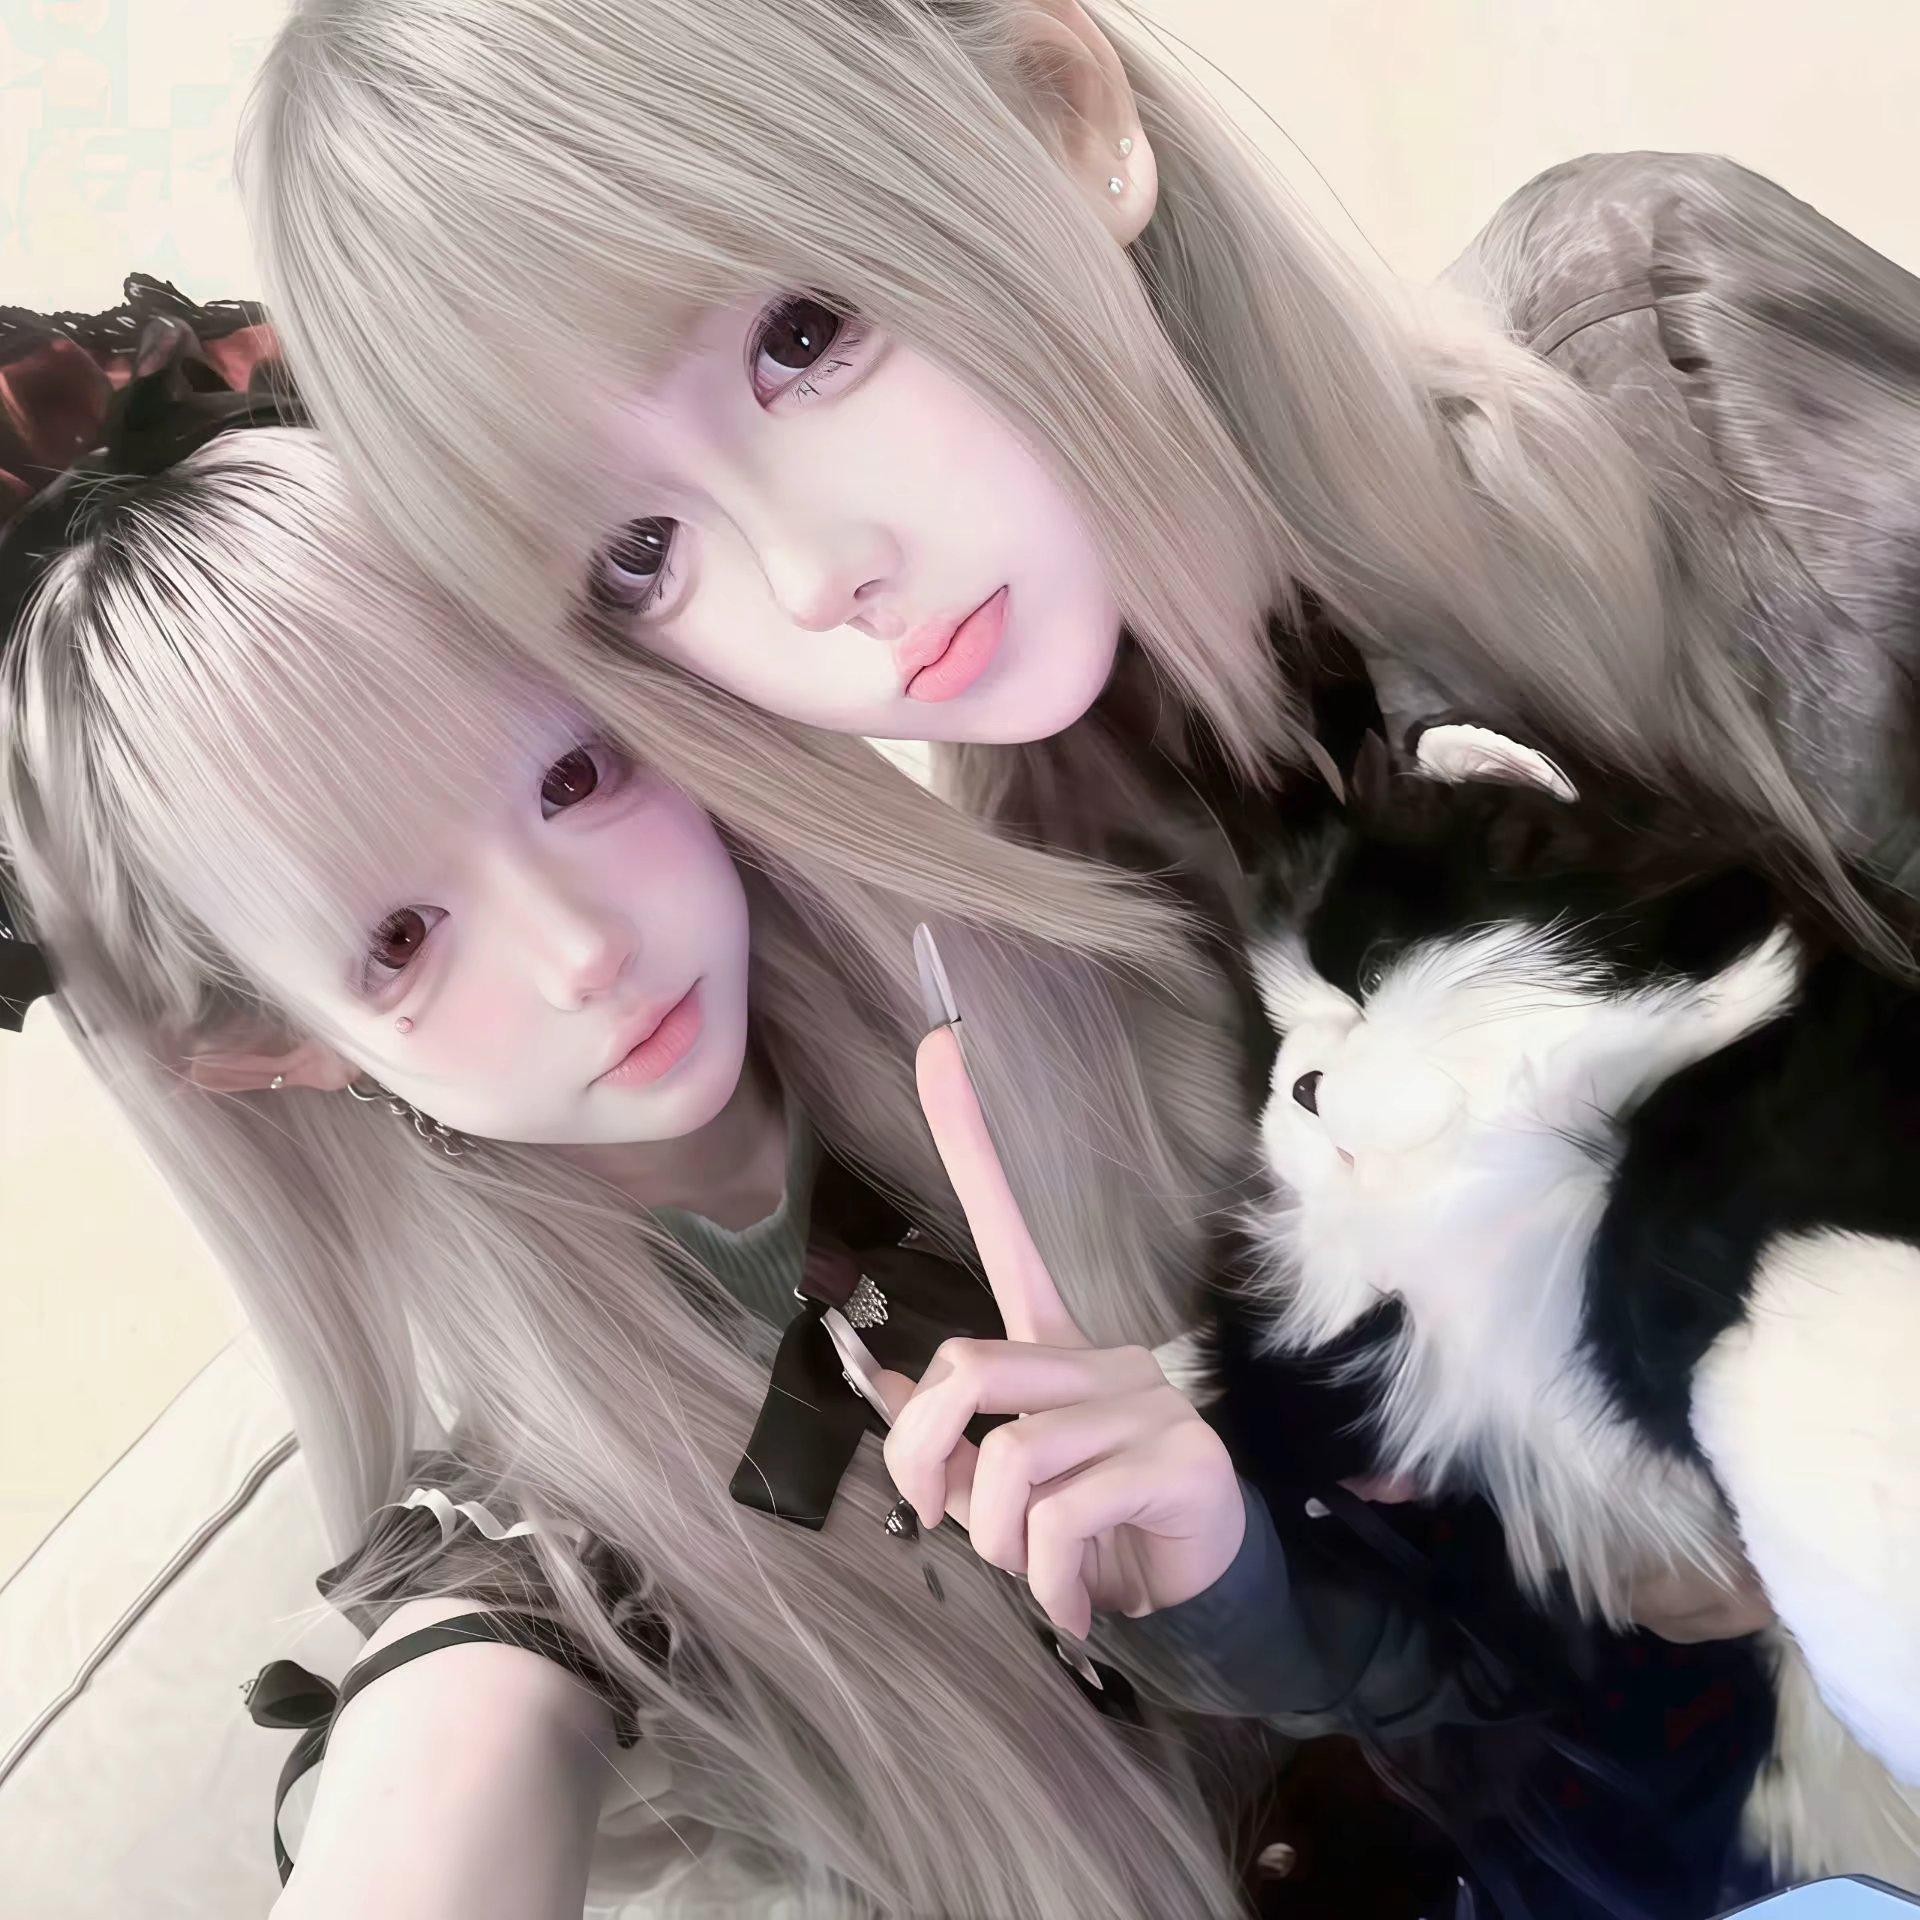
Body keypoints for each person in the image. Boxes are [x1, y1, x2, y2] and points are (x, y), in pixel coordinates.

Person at [0, 393, 1539, 1918]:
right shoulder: (550, 1541)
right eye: (400, 937)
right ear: (271, 1044)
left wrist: (1241, 1593)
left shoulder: (1124, 948)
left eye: (572, 776)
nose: (581, 948)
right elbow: (440, 1787)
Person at [239, 0, 1919, 966]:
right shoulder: (1097, 935)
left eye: (802, 339)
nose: (810, 578)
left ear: (1064, 117)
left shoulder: (1662, 349)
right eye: (638, 552)